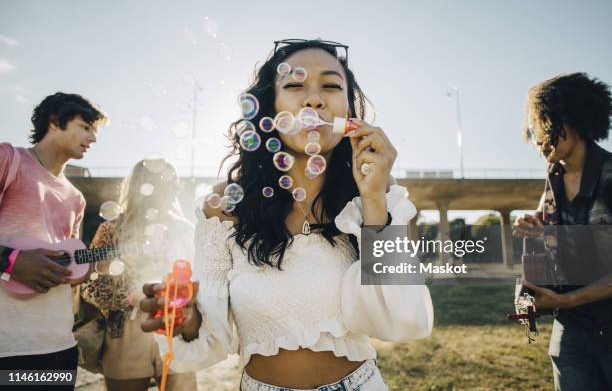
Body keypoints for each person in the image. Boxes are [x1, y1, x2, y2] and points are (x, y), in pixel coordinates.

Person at [140, 39, 434, 390]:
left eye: (330, 85)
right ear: (269, 108)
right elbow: (210, 340)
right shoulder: (224, 208)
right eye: (294, 85)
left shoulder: (374, 196)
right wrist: (185, 320)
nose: (313, 99)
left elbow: (402, 318)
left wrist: (373, 198)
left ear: (348, 112)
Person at [0, 92, 106, 390]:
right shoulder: (9, 159)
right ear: (55, 121)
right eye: (86, 127)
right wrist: (9, 260)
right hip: (8, 348)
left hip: (58, 347)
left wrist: (85, 269)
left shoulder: (77, 198)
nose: (93, 138)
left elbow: (66, 263)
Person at [514, 72, 612, 390]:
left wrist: (571, 300)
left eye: (540, 122)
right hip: (569, 333)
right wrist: (534, 228)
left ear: (569, 119)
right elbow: (555, 232)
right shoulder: (553, 177)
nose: (535, 136)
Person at [80, 159, 197, 391]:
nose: (173, 187)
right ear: (142, 186)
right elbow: (90, 287)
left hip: (176, 327)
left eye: (174, 181)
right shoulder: (111, 229)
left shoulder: (185, 229)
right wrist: (130, 297)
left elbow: (201, 282)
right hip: (125, 330)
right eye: (164, 181)